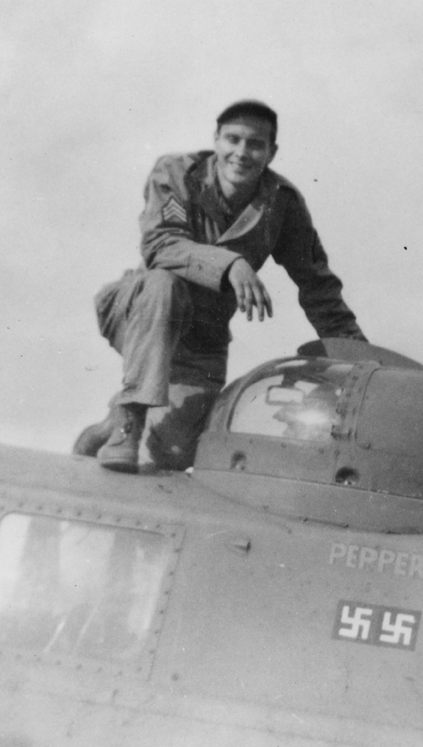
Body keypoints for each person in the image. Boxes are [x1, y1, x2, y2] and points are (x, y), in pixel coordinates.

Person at [75, 99, 366, 473]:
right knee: (164, 285)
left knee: (176, 452)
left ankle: (106, 427)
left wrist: (360, 356)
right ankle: (130, 416)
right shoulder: (177, 173)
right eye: (233, 139)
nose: (241, 153)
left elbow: (318, 287)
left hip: (203, 339)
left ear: (271, 152)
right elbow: (161, 245)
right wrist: (232, 264)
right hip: (143, 312)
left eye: (255, 144)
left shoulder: (282, 204)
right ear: (216, 139)